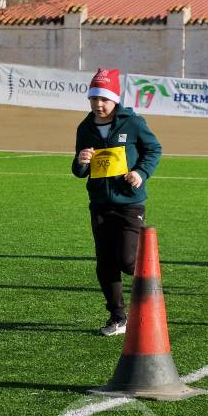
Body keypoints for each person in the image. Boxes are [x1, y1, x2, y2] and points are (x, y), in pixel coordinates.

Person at [71, 68, 162, 335]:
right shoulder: (85, 128)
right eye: (93, 99)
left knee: (126, 260)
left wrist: (140, 173)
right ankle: (117, 317)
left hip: (130, 203)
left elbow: (154, 149)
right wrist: (80, 162)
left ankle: (151, 291)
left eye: (104, 99)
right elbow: (79, 171)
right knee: (105, 263)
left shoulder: (133, 123)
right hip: (99, 203)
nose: (99, 105)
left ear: (115, 99)